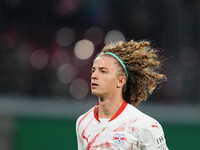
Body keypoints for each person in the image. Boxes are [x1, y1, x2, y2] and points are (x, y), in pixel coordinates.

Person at [76, 40, 169, 150]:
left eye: (103, 71)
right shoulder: (83, 122)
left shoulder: (144, 125)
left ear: (121, 81)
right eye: (93, 70)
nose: (94, 76)